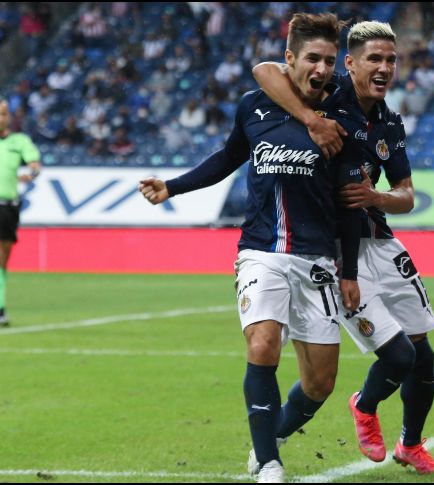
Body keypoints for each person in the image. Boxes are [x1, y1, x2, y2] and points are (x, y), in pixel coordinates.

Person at [139, 14, 363, 483]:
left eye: (328, 60)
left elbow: (348, 205)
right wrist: (173, 186)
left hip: (318, 259)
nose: (320, 68)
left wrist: (350, 271)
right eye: (311, 59)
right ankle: (269, 464)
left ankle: (273, 433)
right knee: (262, 345)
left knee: (320, 383)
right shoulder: (254, 107)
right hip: (260, 250)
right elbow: (227, 156)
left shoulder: (343, 112)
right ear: (290, 60)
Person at [253, 20, 434, 475]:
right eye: (375, 59)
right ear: (350, 63)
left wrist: (377, 197)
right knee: (395, 357)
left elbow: (406, 194)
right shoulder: (326, 93)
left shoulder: (389, 121)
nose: (385, 68)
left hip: (382, 242)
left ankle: (411, 444)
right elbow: (263, 70)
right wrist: (310, 120)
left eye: (391, 60)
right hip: (340, 252)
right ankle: (319, 421)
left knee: (423, 356)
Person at [0, 97, 41, 327]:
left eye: (4, 113)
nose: (1, 118)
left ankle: (0, 307)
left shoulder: (20, 141)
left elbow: (35, 166)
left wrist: (30, 175)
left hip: (7, 207)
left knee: (2, 259)